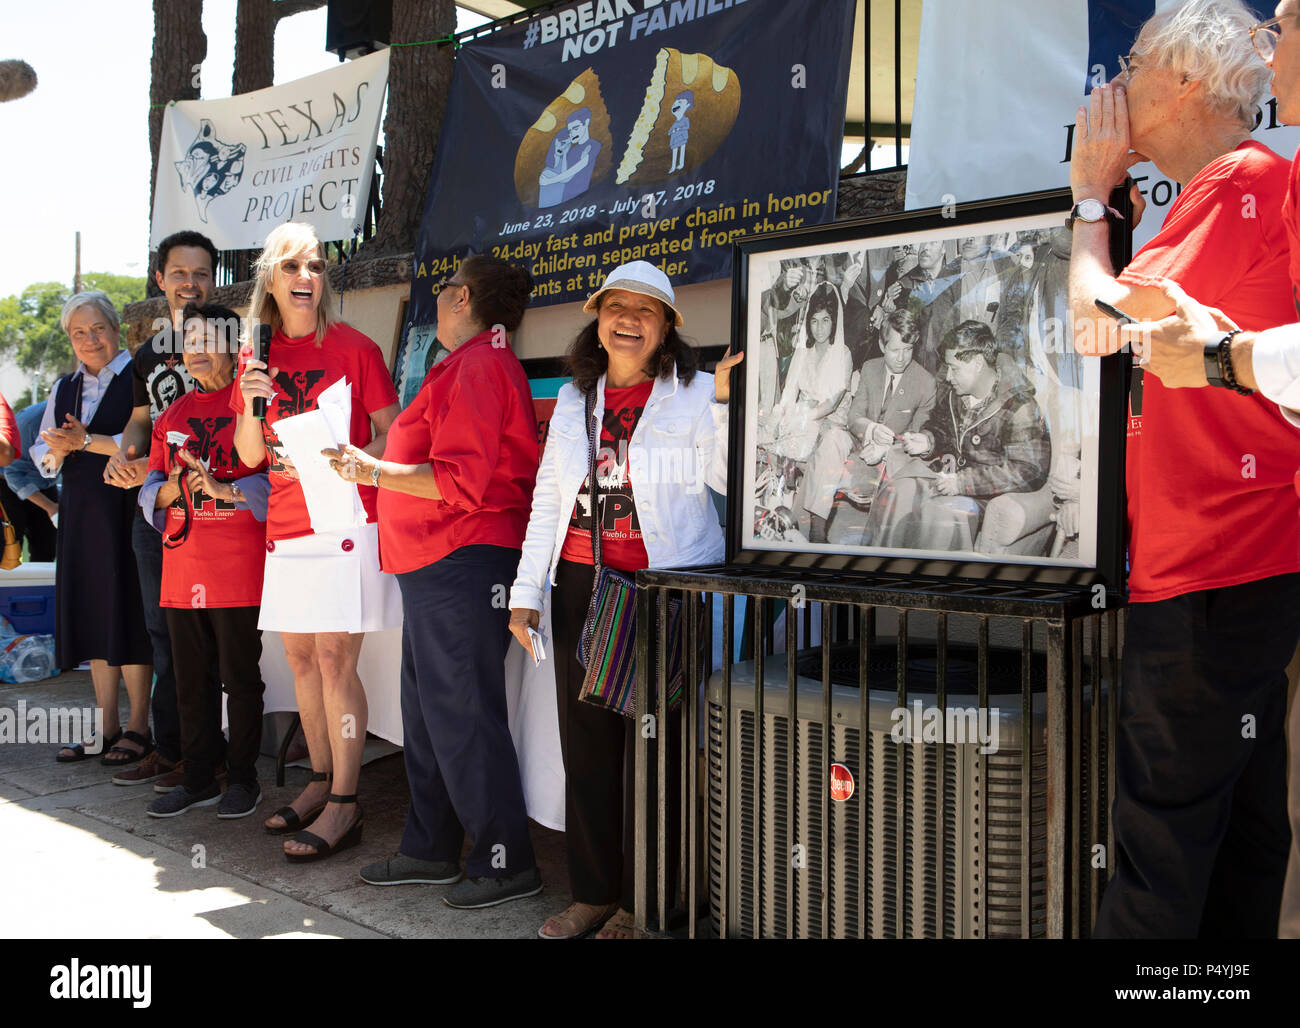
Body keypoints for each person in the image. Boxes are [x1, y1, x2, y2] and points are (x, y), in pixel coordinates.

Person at [1067, 0, 1300, 937]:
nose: (1113, 87)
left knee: (1159, 850)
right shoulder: (1252, 185)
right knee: (1237, 831)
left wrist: (1089, 196)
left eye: (1131, 64)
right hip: (1242, 561)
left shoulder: (1239, 177)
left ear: (1189, 81)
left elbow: (1097, 320)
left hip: (1211, 564)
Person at [507, 260, 741, 939]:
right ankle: (594, 893)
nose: (629, 320)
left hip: (663, 589)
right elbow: (549, 499)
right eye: (617, 308)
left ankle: (646, 901)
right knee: (588, 747)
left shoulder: (698, 393)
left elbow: (725, 480)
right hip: (582, 585)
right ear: (598, 320)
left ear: (667, 328)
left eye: (646, 310)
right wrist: (525, 593)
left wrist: (725, 405)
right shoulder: (577, 399)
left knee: (656, 750)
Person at [323, 257, 544, 908]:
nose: (437, 302)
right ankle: (430, 847)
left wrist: (371, 471)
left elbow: (460, 481)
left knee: (463, 713)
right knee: (430, 715)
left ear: (463, 297)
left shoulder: (479, 364)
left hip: (462, 557)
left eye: (444, 291)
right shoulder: (468, 363)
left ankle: (506, 860)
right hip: (436, 561)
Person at [231, 221, 400, 861]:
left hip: (343, 522)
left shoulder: (355, 347)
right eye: (293, 267)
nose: (306, 279)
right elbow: (250, 455)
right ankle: (321, 783)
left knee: (335, 661)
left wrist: (357, 460)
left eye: (317, 267)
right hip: (285, 525)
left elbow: (393, 433)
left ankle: (347, 806)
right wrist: (250, 401)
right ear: (269, 279)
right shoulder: (256, 357)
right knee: (300, 661)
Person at [138, 304, 270, 819]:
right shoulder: (170, 416)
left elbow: (271, 477)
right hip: (182, 568)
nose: (193, 350)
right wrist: (174, 486)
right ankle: (198, 777)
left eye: (205, 339)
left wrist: (223, 488)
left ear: (233, 346)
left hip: (238, 568)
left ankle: (242, 779)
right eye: (187, 341)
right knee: (190, 683)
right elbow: (150, 491)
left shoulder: (252, 404)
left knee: (240, 680)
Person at [103, 229, 218, 789]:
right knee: (163, 632)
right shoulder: (147, 351)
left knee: (212, 636)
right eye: (179, 273)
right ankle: (173, 752)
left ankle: (216, 761)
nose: (190, 284)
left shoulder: (233, 339)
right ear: (160, 280)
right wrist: (125, 455)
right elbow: (140, 419)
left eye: (200, 273)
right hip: (157, 508)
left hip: (218, 511)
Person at [31, 292, 153, 764]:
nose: (90, 340)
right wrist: (58, 452)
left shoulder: (137, 377)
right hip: (82, 513)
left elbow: (140, 443)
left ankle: (139, 728)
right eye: (79, 333)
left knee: (131, 613)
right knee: (95, 615)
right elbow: (42, 460)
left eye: (97, 328)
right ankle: (106, 728)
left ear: (116, 327)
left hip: (127, 508)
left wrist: (86, 441)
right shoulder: (63, 387)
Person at [870, 321, 1050, 551]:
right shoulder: (956, 393)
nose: (948, 376)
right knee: (897, 493)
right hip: (949, 478)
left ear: (977, 363)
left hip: (986, 495)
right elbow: (940, 427)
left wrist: (964, 483)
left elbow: (1028, 470)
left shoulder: (1020, 406)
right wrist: (928, 440)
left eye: (955, 368)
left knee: (942, 514)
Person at [793, 308, 937, 543]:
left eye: (907, 350)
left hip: (892, 459)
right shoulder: (870, 368)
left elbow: (919, 437)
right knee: (832, 439)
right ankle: (817, 533)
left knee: (825, 459)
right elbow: (854, 416)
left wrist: (887, 449)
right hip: (860, 443)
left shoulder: (926, 383)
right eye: (894, 350)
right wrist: (870, 429)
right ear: (882, 345)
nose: (901, 358)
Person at [765, 281, 852, 465]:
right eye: (814, 321)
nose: (819, 328)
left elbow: (831, 405)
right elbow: (790, 390)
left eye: (825, 320)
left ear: (834, 321)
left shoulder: (843, 354)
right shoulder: (804, 352)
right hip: (802, 414)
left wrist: (801, 418)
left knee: (795, 440)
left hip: (829, 420)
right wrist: (785, 414)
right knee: (771, 425)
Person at [1, 400, 59, 562]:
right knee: (9, 549)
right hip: (8, 483)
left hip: (45, 482)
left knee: (47, 548)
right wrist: (50, 507)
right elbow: (12, 473)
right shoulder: (31, 423)